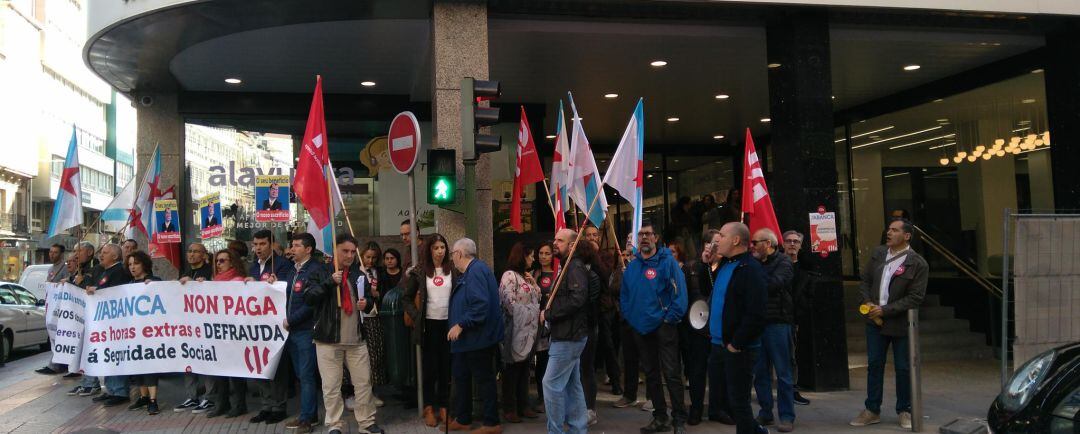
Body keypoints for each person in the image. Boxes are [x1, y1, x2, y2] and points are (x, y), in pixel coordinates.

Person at [850, 218, 927, 430]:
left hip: (901, 324)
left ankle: (905, 410)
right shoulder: (878, 253)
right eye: (889, 229)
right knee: (874, 365)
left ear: (907, 236)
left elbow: (915, 297)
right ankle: (872, 409)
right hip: (875, 322)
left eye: (894, 230)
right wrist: (867, 302)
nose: (889, 232)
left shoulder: (918, 263)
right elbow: (864, 280)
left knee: (903, 368)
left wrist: (885, 309)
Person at [305, 233, 384, 434]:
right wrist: (329, 282)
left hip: (356, 339)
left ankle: (366, 422)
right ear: (335, 250)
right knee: (331, 386)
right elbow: (308, 297)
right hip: (328, 340)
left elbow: (370, 303)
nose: (349, 255)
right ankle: (334, 425)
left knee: (364, 383)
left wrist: (367, 303)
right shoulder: (321, 272)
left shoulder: (359, 275)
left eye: (352, 251)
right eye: (345, 251)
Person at [621, 221, 689, 434]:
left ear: (656, 238)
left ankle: (678, 419)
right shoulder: (632, 266)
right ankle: (660, 417)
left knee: (671, 373)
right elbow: (625, 296)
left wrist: (669, 319)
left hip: (664, 326)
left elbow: (679, 295)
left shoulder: (668, 262)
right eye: (640, 235)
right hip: (641, 328)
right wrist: (631, 318)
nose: (644, 238)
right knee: (651, 374)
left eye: (648, 234)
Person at [711, 222, 768, 434]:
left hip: (738, 348)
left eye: (722, 235)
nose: (718, 240)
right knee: (727, 399)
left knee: (739, 403)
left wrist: (736, 344)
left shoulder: (751, 269)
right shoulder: (725, 265)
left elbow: (756, 314)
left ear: (736, 240)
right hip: (718, 344)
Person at [446, 238, 504, 434]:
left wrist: (461, 324)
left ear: (459, 254)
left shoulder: (476, 270)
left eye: (453, 253)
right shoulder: (471, 272)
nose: (452, 258)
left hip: (477, 339)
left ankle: (491, 423)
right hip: (467, 342)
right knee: (461, 378)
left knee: (484, 380)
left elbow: (480, 305)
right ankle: (463, 418)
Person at [541, 229, 591, 434]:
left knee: (550, 384)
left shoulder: (574, 267)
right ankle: (578, 429)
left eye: (560, 240)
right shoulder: (567, 265)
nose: (555, 243)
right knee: (572, 384)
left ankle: (556, 431)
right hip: (568, 334)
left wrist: (549, 314)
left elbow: (577, 299)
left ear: (572, 245)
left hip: (568, 336)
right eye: (555, 239)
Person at [402, 233, 454, 427]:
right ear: (429, 250)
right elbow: (406, 298)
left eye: (442, 248)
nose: (440, 251)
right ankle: (429, 407)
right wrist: (417, 317)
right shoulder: (420, 271)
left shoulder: (453, 270)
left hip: (448, 325)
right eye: (436, 248)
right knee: (430, 369)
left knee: (445, 369)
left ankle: (444, 407)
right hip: (428, 326)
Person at [243, 230, 293, 424]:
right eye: (255, 244)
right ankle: (266, 406)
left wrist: (275, 284)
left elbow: (287, 289)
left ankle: (279, 407)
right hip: (258, 325)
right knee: (260, 364)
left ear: (272, 244)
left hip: (276, 325)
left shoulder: (282, 265)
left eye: (262, 244)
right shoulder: (253, 267)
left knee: (277, 367)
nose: (257, 248)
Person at [750, 229, 796, 432]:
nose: (752, 246)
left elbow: (774, 284)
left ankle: (786, 415)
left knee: (783, 372)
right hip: (758, 323)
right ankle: (765, 412)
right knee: (760, 372)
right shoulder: (754, 263)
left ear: (768, 244)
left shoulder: (783, 262)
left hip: (777, 323)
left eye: (756, 242)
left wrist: (755, 271)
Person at [281, 233, 323, 433]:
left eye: (297, 245)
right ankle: (309, 413)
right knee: (300, 374)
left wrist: (292, 319)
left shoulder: (314, 270)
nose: (292, 248)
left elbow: (311, 304)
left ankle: (307, 419)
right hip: (292, 331)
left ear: (308, 249)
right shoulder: (293, 270)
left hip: (305, 330)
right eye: (292, 245)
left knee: (306, 375)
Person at [85, 244, 134, 408]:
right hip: (106, 325)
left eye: (105, 253)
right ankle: (111, 389)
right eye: (101, 252)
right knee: (108, 356)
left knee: (116, 356)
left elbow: (115, 293)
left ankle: (120, 391)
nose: (101, 255)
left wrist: (97, 290)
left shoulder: (119, 271)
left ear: (115, 256)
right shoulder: (106, 271)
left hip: (117, 324)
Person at [173, 242, 219, 414]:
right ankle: (192, 397)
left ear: (204, 255)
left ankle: (210, 397)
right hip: (187, 325)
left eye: (196, 252)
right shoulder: (185, 271)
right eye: (189, 251)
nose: (191, 254)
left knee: (206, 360)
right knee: (188, 360)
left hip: (205, 326)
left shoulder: (210, 271)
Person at [696, 230, 735, 425]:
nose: (718, 246)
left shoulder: (729, 264)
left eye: (721, 242)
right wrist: (705, 264)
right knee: (714, 370)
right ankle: (715, 408)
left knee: (726, 370)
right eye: (715, 243)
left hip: (725, 326)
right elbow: (704, 289)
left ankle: (726, 407)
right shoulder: (704, 265)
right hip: (706, 327)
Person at [205, 249, 250, 419]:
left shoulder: (238, 281)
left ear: (232, 262)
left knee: (235, 370)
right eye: (217, 261)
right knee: (219, 370)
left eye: (223, 260)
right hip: (218, 332)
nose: (219, 264)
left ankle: (239, 404)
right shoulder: (214, 281)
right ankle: (222, 403)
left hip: (234, 332)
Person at [498, 242, 540, 423]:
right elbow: (509, 303)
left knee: (524, 370)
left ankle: (524, 405)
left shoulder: (526, 276)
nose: (533, 258)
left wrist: (534, 284)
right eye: (530, 255)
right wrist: (529, 313)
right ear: (522, 256)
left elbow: (537, 298)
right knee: (512, 371)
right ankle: (510, 408)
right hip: (514, 330)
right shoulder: (509, 276)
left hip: (528, 331)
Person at [125, 251, 164, 415]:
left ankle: (153, 400)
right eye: (130, 264)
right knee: (138, 364)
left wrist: (153, 287)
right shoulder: (128, 284)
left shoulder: (155, 282)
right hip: (133, 332)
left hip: (150, 332)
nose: (132, 267)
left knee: (149, 365)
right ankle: (143, 397)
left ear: (144, 265)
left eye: (136, 263)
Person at [781, 230, 812, 407]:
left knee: (791, 357)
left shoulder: (805, 269)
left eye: (796, 241)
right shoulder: (776, 266)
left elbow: (806, 296)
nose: (792, 244)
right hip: (777, 317)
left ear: (800, 245)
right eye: (788, 241)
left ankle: (792, 390)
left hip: (793, 319)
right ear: (782, 243)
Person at [578, 240, 606, 426]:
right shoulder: (586, 272)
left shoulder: (591, 275)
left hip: (587, 326)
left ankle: (590, 409)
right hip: (586, 326)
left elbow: (586, 302)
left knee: (586, 369)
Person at [358, 242, 387, 402]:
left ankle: (373, 390)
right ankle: (354, 392)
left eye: (374, 258)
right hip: (359, 317)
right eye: (368, 257)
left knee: (375, 354)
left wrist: (378, 294)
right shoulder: (356, 271)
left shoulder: (379, 272)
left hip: (374, 316)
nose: (370, 261)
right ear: (361, 256)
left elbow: (386, 290)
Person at [37, 244, 71, 376]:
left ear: (61, 254)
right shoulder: (51, 268)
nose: (52, 254)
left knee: (59, 336)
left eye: (55, 252)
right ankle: (56, 363)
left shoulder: (65, 267)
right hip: (52, 306)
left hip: (61, 308)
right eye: (50, 252)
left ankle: (56, 364)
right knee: (53, 336)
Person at [531, 241, 557, 413]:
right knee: (541, 361)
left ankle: (553, 398)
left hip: (554, 322)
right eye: (540, 253)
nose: (543, 256)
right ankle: (541, 396)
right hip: (538, 323)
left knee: (553, 361)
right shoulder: (534, 273)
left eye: (547, 253)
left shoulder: (558, 273)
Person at [596, 247, 623, 398]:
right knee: (608, 348)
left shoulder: (618, 272)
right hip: (602, 312)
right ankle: (615, 381)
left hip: (611, 312)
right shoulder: (601, 272)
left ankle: (615, 381)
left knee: (611, 347)